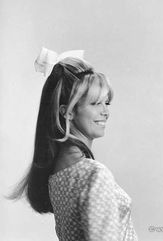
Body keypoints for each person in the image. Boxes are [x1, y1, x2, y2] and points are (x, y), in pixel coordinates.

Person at [8, 47, 138, 241]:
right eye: (95, 104)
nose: (106, 112)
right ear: (67, 112)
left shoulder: (57, 175)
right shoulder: (94, 175)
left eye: (107, 103)